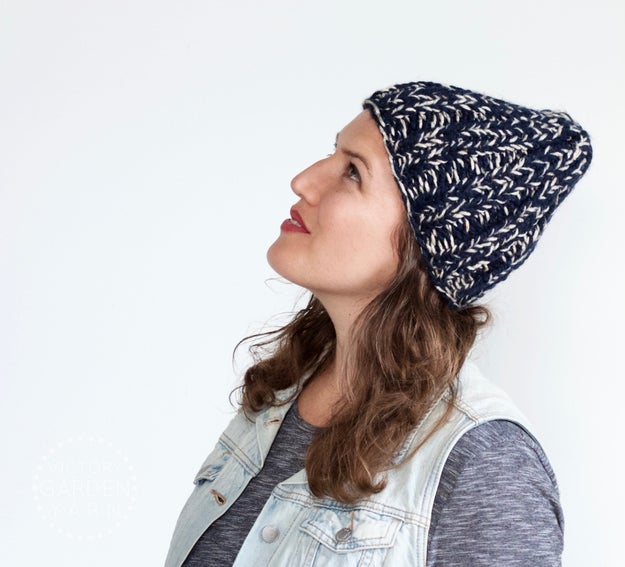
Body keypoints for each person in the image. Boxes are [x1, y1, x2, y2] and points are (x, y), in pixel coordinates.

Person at [164, 81, 592, 566]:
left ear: (423, 242)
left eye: (352, 172)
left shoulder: (485, 467)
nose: (303, 181)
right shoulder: (279, 397)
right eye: (333, 154)